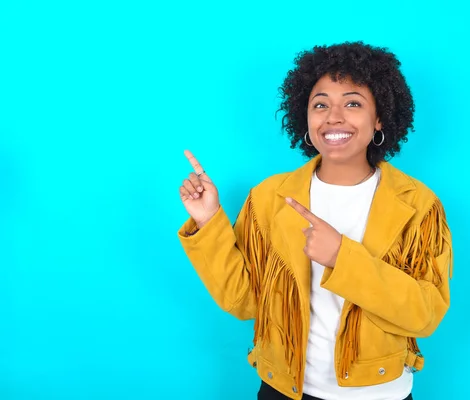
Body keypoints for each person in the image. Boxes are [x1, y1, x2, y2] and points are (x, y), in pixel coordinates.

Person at [177, 41, 453, 400]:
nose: (334, 117)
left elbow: (424, 314)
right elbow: (244, 301)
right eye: (320, 104)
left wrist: (342, 257)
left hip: (380, 393)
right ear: (304, 118)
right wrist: (209, 220)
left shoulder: (418, 205)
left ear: (380, 116)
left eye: (353, 103)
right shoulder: (269, 197)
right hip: (283, 390)